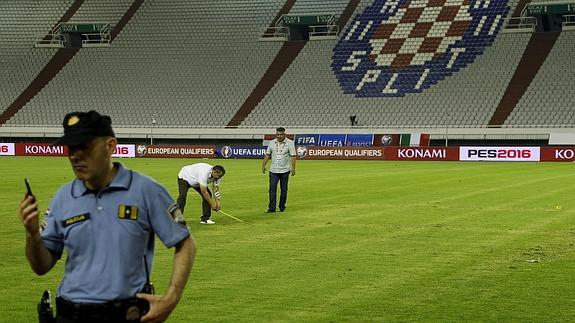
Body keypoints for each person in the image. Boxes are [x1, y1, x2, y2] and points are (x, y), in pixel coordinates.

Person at [19, 110, 196, 323]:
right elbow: (41, 266)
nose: (75, 155)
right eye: (71, 148)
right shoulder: (63, 197)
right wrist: (32, 235)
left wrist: (171, 298)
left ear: (110, 146)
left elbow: (185, 244)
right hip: (69, 313)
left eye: (84, 146)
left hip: (125, 314)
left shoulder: (145, 190)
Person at [261, 127, 296, 213]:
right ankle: (272, 208)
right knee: (272, 189)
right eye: (277, 134)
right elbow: (267, 154)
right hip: (273, 170)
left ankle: (282, 206)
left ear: (284, 134)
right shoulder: (272, 143)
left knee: (284, 190)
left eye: (281, 134)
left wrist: (293, 168)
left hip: (285, 170)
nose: (279, 136)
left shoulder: (290, 143)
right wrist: (263, 165)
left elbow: (293, 156)